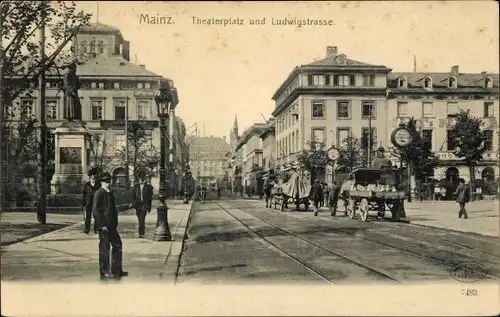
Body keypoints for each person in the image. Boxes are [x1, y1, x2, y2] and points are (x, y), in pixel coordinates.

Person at [92, 172, 128, 280]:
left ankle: (117, 270)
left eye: (109, 181)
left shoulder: (109, 193)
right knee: (104, 249)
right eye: (106, 181)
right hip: (104, 227)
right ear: (102, 182)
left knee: (117, 245)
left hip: (112, 226)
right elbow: (96, 211)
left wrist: (115, 223)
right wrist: (102, 225)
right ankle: (104, 271)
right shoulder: (99, 193)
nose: (108, 183)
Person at [130, 173, 153, 238]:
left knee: (142, 219)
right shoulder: (136, 186)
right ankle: (141, 231)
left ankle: (141, 233)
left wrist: (149, 207)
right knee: (139, 219)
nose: (141, 179)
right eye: (140, 178)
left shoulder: (147, 186)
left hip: (144, 205)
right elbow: (132, 195)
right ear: (139, 179)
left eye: (143, 178)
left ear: (144, 179)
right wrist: (133, 202)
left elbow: (149, 197)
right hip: (138, 205)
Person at [81, 168, 101, 234]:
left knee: (96, 216)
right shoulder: (87, 185)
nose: (94, 177)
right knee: (88, 217)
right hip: (88, 203)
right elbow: (84, 194)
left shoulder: (98, 184)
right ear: (90, 177)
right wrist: (83, 203)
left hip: (96, 202)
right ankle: (87, 230)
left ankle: (96, 229)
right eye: (92, 175)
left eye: (95, 175)